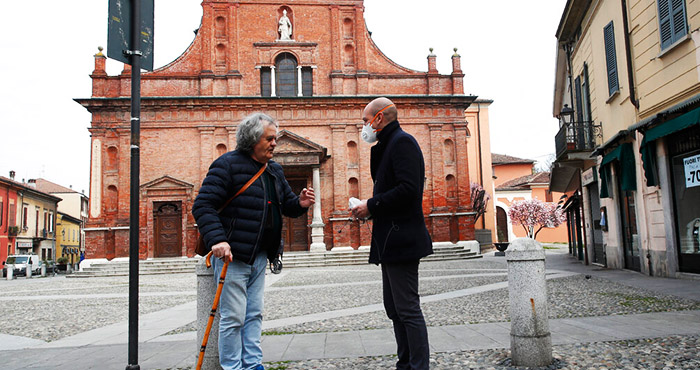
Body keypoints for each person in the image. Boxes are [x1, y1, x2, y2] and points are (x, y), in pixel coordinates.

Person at [192, 112, 315, 370]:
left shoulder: (274, 170)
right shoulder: (226, 165)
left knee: (254, 315)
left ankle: (252, 364)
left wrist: (300, 203)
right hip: (233, 256)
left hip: (260, 255)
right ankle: (233, 367)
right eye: (269, 139)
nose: (274, 143)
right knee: (234, 317)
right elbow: (203, 205)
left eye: (275, 139)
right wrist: (218, 240)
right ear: (252, 139)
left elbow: (286, 206)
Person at [351, 97, 433, 370]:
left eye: (365, 121)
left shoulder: (402, 142)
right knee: (394, 308)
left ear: (379, 118)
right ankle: (405, 363)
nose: (363, 127)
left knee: (407, 308)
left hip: (402, 239)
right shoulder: (386, 145)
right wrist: (370, 209)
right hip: (390, 239)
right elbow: (391, 191)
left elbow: (409, 190)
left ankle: (418, 366)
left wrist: (371, 205)